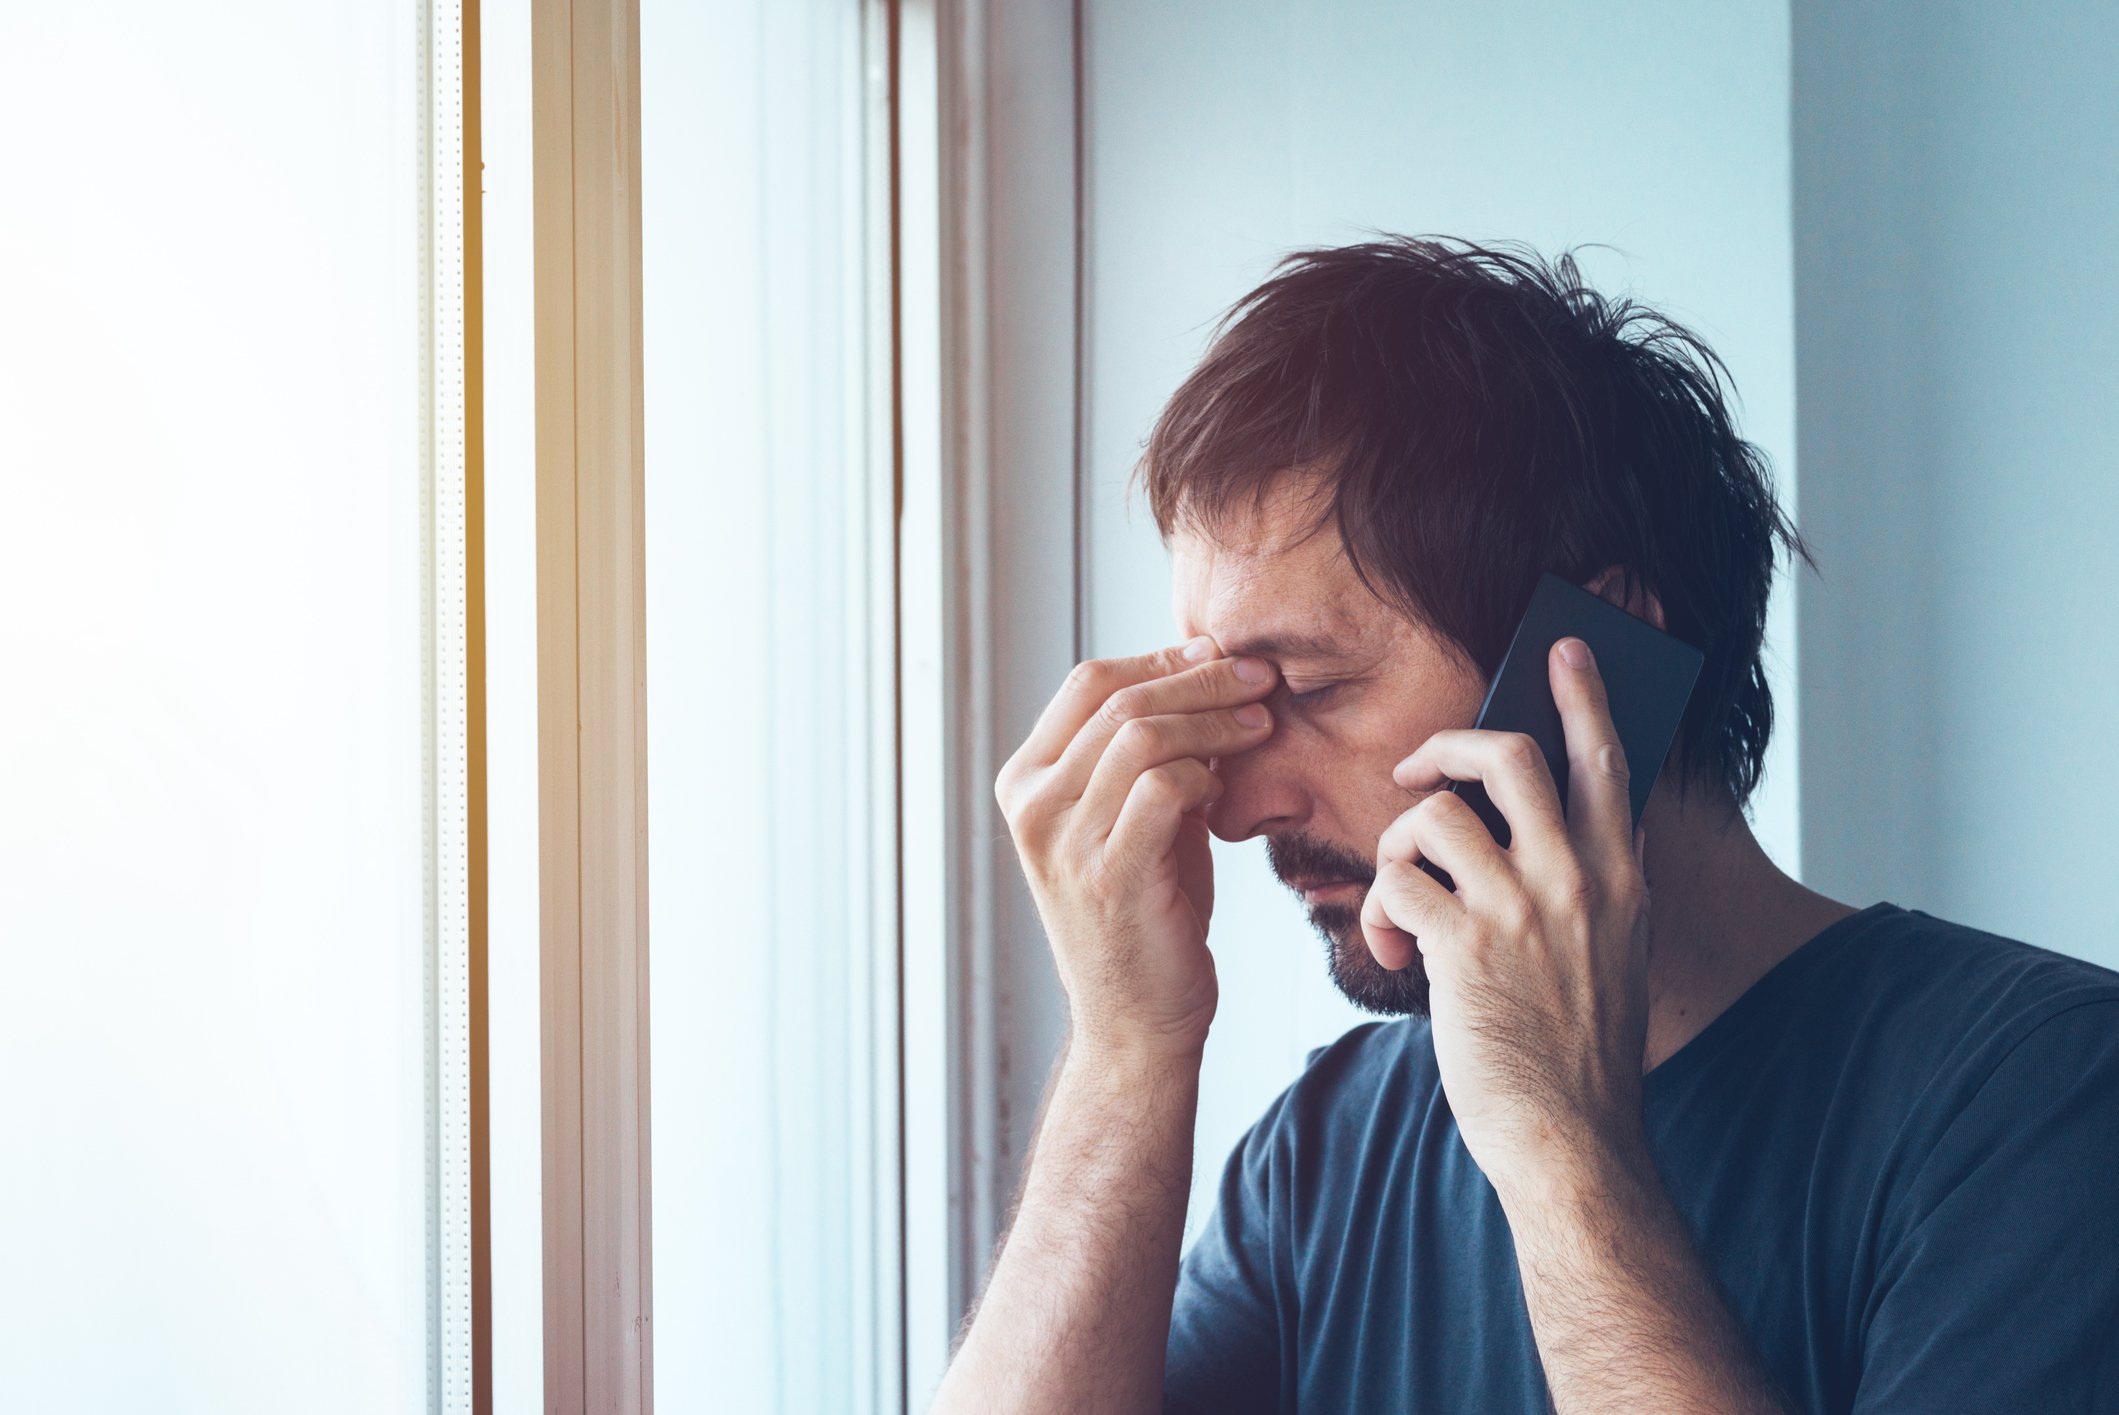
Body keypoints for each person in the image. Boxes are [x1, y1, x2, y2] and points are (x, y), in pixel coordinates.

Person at [929, 237, 2119, 1414]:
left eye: (1313, 687)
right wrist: (1125, 1047)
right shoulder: (1325, 1150)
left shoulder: (2045, 1101)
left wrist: (1558, 1144)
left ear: (1582, 659)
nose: (1236, 809)